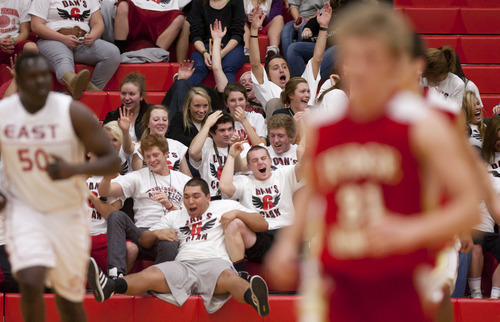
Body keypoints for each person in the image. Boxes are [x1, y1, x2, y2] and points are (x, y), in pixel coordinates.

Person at [267, 4, 480, 321]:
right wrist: (287, 245)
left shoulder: (424, 124)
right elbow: (316, 189)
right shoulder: (327, 125)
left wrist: (414, 230)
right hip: (341, 275)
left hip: (399, 274)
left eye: (371, 57)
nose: (360, 67)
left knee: (437, 299)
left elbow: (468, 203)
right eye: (353, 57)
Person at [0, 52, 120, 322]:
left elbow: (112, 160)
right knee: (30, 284)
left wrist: (75, 169)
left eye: (44, 76)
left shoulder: (71, 111)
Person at [88, 178, 271, 317]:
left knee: (232, 278)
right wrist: (156, 234)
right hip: (182, 264)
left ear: (208, 197)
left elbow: (262, 224)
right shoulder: (175, 216)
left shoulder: (225, 205)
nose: (190, 202)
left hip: (214, 263)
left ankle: (253, 298)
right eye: (186, 197)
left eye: (196, 196)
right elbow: (143, 240)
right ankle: (110, 286)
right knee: (149, 274)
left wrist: (238, 213)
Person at [98, 134, 191, 278]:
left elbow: (193, 215)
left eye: (155, 155)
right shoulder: (138, 176)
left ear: (166, 154)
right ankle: (115, 274)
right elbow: (105, 191)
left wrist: (170, 205)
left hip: (168, 233)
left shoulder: (184, 181)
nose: (152, 160)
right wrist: (106, 179)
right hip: (141, 234)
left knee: (170, 242)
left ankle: (157, 284)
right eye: (148, 157)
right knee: (116, 216)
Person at [220, 144, 303, 278]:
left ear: (270, 161)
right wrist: (231, 155)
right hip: (259, 237)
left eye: (263, 158)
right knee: (233, 224)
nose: (260, 162)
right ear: (249, 167)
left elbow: (306, 166)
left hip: (286, 235)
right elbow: (224, 186)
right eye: (254, 160)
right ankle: (242, 275)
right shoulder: (244, 181)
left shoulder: (284, 173)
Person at [29, 0, 120, 99]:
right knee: (63, 59)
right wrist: (63, 38)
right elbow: (36, 25)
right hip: (52, 39)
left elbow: (98, 23)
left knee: (112, 53)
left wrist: (92, 36)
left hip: (82, 40)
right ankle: (73, 82)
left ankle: (92, 93)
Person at [249, 2, 330, 114]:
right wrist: (253, 30)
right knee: (274, 103)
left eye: (284, 66)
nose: (281, 70)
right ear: (268, 76)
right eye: (275, 68)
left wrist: (323, 27)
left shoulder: (303, 84)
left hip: (307, 127)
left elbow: (317, 58)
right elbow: (255, 64)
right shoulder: (268, 89)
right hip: (280, 128)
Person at [86, 152, 138, 273]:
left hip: (104, 235)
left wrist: (91, 196)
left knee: (131, 249)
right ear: (88, 152)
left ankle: (116, 284)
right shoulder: (74, 173)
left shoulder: (115, 178)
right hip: (77, 234)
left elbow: (110, 214)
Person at [189, 111, 249, 198]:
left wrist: (235, 149)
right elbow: (193, 152)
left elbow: (241, 167)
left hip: (235, 198)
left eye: (230, 129)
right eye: (222, 130)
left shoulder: (243, 145)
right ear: (211, 132)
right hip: (211, 198)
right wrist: (207, 125)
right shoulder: (205, 145)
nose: (227, 134)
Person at [188, 0, 245, 85]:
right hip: (205, 46)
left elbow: (237, 34)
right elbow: (196, 35)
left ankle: (227, 97)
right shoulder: (199, 2)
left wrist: (219, 55)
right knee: (199, 68)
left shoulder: (236, 1)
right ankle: (186, 95)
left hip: (230, 46)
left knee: (228, 68)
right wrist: (204, 53)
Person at [132, 105, 192, 176]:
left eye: (164, 120)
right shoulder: (138, 148)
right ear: (147, 123)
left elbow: (188, 179)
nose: (161, 123)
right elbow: (139, 179)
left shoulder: (176, 145)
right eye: (156, 120)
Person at [113, 0, 185, 54]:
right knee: (123, 5)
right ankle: (118, 51)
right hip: (136, 8)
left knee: (179, 19)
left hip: (163, 13)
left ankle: (157, 56)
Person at [104, 72, 152, 142]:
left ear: (141, 96)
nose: (126, 98)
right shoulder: (112, 116)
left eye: (131, 94)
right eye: (123, 93)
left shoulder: (152, 114)